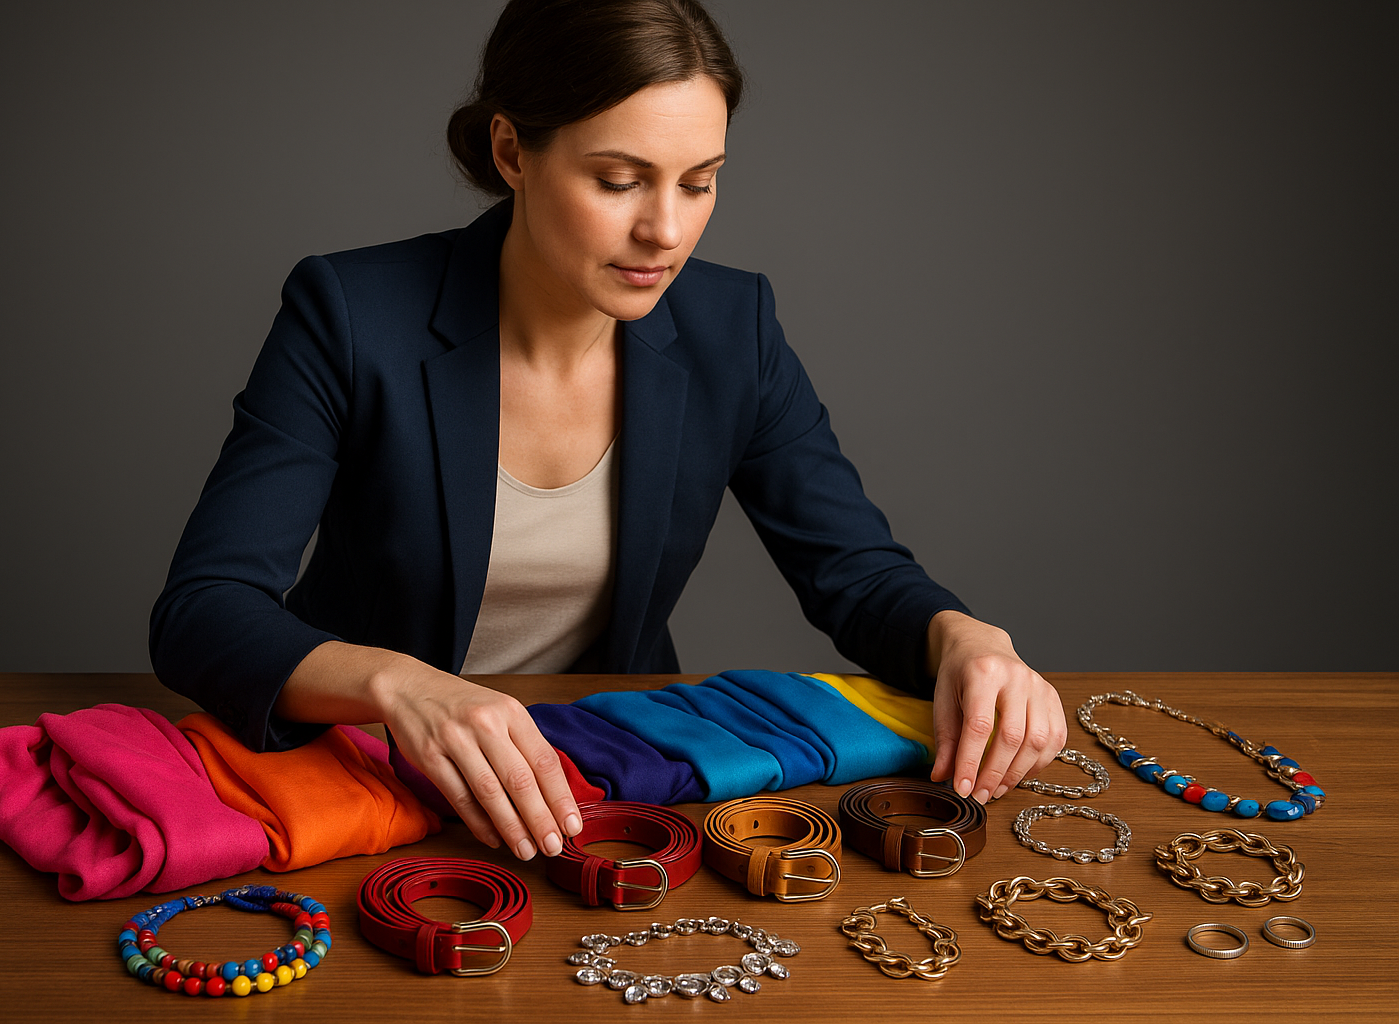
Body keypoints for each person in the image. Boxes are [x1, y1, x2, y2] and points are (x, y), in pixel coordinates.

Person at [150, 0, 1066, 865]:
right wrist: (402, 686)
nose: (665, 230)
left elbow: (856, 575)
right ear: (511, 151)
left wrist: (963, 639)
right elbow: (204, 609)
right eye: (618, 181)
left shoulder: (733, 328)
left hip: (607, 780)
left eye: (700, 183)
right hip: (361, 782)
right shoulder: (353, 314)